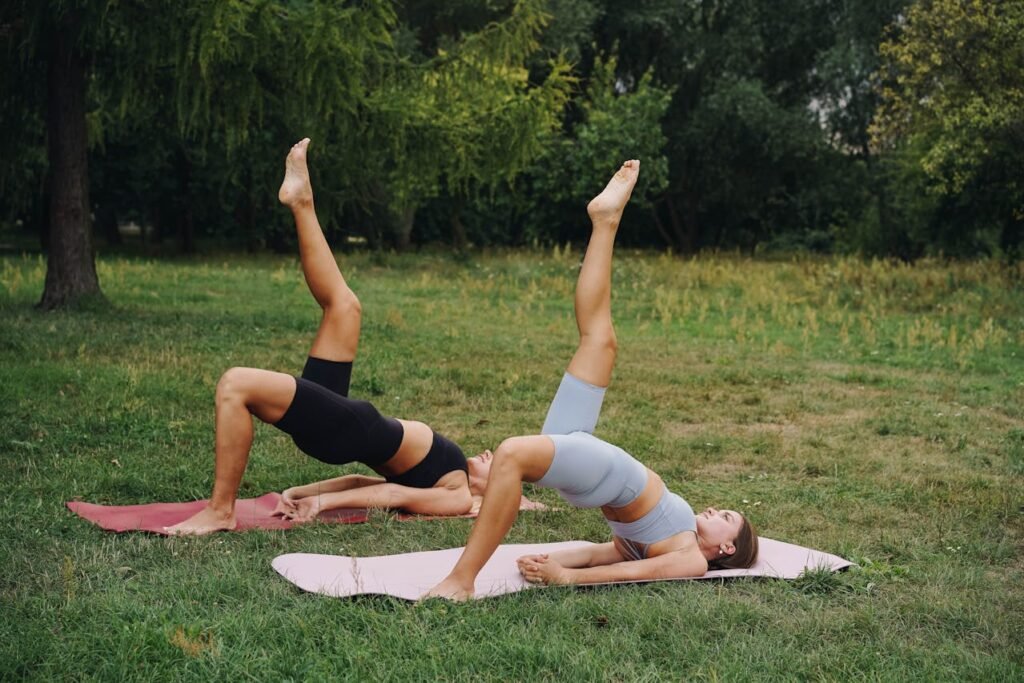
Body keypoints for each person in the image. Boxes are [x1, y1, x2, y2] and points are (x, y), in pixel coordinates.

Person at [425, 159, 759, 599]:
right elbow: (611, 559)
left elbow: (618, 565)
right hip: (609, 471)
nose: (717, 508)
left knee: (514, 452)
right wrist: (562, 569)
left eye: (727, 516)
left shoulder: (693, 558)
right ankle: (605, 223)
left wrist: (562, 568)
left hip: (604, 475)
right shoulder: (676, 542)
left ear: (727, 546)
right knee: (599, 340)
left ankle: (460, 580)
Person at [165, 139, 492, 535]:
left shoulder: (457, 495)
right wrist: (302, 490)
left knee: (235, 384)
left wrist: (323, 504)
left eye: (501, 469)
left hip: (348, 430)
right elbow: (366, 484)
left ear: (489, 493)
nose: (493, 455)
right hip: (347, 422)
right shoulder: (450, 474)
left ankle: (220, 511)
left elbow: (391, 497)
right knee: (344, 306)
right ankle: (302, 202)